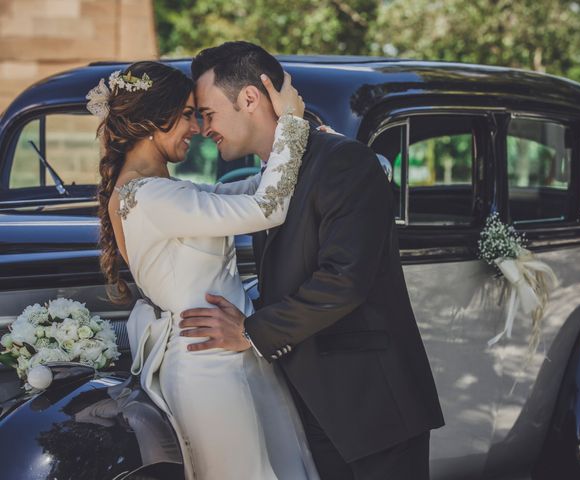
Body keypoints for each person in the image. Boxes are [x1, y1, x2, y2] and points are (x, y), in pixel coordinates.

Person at [180, 41, 445, 480]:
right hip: (309, 405)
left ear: (249, 98)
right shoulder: (268, 179)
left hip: (371, 409)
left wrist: (249, 330)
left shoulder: (344, 162)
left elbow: (344, 280)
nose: (204, 128)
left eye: (208, 113)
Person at [91, 60, 319, 480]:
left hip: (225, 354)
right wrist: (289, 124)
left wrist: (296, 138)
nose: (196, 129)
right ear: (150, 121)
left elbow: (248, 189)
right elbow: (266, 207)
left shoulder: (156, 190)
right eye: (185, 116)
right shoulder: (147, 196)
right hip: (207, 368)